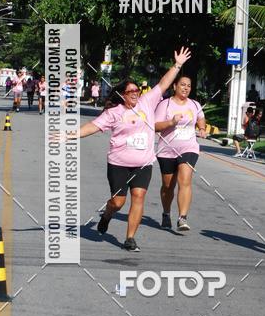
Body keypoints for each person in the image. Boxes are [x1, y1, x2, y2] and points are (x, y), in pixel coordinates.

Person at [69, 46, 192, 252]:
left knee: (139, 197)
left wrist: (178, 64)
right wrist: (70, 135)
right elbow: (93, 126)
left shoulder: (146, 102)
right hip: (119, 164)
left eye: (137, 90)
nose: (135, 94)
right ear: (122, 95)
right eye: (131, 91)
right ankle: (107, 214)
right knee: (118, 202)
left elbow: (163, 83)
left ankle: (130, 238)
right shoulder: (114, 113)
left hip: (143, 164)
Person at [154, 74, 207, 231]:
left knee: (185, 180)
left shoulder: (195, 105)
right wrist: (171, 122)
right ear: (175, 86)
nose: (186, 88)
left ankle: (182, 218)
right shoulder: (165, 105)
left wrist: (202, 128)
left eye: (189, 86)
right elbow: (155, 126)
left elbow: (200, 118)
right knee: (167, 186)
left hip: (188, 148)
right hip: (167, 150)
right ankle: (166, 212)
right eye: (183, 85)